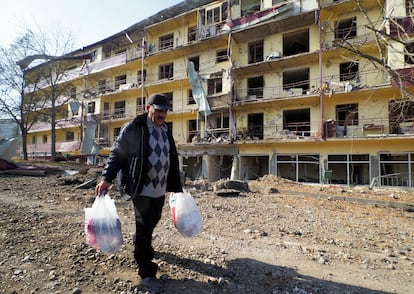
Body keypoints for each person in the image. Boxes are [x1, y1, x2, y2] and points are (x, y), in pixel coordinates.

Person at [95, 93, 183, 293]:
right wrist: (107, 178)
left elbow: (170, 155)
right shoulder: (135, 128)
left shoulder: (165, 129)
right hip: (141, 187)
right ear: (147, 108)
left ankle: (140, 242)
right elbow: (117, 153)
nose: (161, 114)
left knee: (154, 219)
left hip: (159, 187)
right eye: (158, 110)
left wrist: (178, 177)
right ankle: (146, 272)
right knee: (144, 227)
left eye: (164, 111)